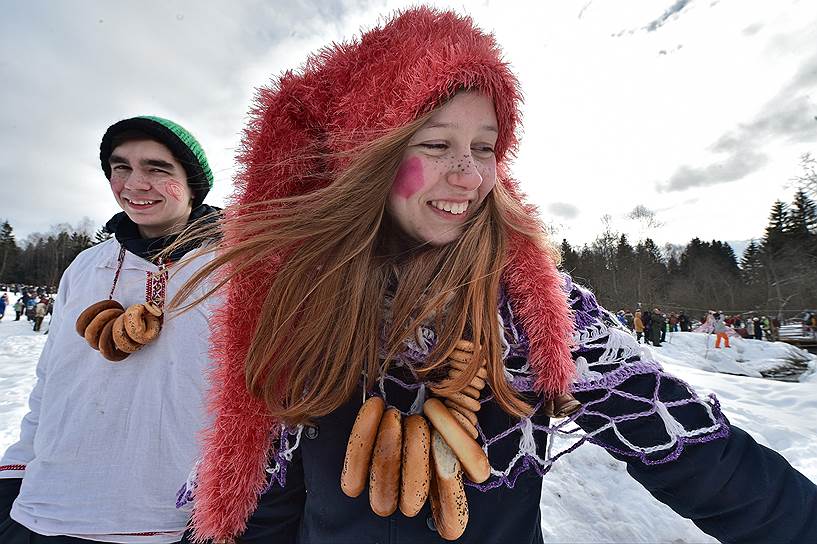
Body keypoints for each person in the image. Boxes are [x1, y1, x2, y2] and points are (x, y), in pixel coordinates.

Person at [175, 8, 816, 544]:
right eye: (434, 145)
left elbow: (699, 452)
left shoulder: (538, 311)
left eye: (485, 148)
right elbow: (270, 494)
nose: (468, 174)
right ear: (368, 153)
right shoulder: (306, 305)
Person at [0, 116, 220, 542]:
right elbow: (52, 382)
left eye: (157, 169)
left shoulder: (236, 269)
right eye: (120, 167)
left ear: (192, 184)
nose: (134, 184)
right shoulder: (85, 267)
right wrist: (15, 471)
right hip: (46, 509)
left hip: (167, 519)